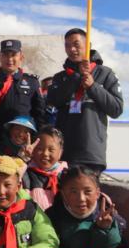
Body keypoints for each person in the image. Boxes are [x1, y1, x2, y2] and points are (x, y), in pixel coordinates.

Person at [47, 28, 124, 173]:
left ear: (88, 45)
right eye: (67, 45)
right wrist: (76, 76)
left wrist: (93, 86)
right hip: (63, 152)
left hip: (91, 154)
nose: (72, 49)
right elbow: (53, 101)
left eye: (76, 44)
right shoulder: (60, 77)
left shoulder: (105, 73)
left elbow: (116, 109)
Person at [46, 165, 126, 248]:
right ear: (63, 194)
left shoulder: (109, 216)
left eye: (87, 191)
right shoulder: (51, 217)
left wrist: (105, 229)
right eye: (73, 192)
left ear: (97, 193)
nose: (81, 198)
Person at [0, 39, 46, 147]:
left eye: (13, 55)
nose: (9, 59)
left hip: (22, 141)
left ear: (21, 57)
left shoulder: (32, 82)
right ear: (0, 57)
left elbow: (39, 113)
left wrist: (39, 139)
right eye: (5, 55)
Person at [20, 125, 67, 211]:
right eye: (40, 149)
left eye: (51, 150)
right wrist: (23, 159)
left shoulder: (67, 175)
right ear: (33, 150)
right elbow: (14, 179)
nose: (45, 153)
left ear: (60, 153)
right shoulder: (25, 172)